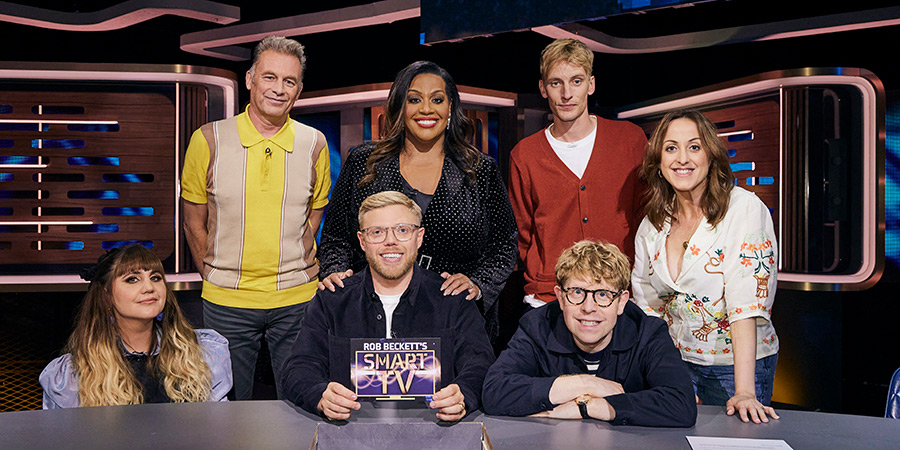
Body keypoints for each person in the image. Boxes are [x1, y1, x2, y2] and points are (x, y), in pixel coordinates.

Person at [317, 61, 517, 341]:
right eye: (414, 99)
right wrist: (337, 274)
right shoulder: (364, 162)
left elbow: (504, 244)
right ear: (400, 106)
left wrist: (478, 284)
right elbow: (336, 236)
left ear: (450, 108)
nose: (426, 109)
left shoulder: (479, 169)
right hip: (373, 317)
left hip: (456, 320)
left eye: (437, 99)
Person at [180, 35, 330, 400]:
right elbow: (193, 222)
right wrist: (215, 276)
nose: (279, 89)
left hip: (297, 300)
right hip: (227, 302)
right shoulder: (208, 139)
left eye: (289, 81)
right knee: (231, 408)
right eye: (269, 77)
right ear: (250, 79)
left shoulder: (314, 144)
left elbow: (313, 218)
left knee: (301, 400)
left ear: (299, 90)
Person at [282, 191, 495, 421]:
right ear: (362, 241)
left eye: (402, 230)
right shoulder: (332, 300)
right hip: (349, 435)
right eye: (377, 232)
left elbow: (480, 365)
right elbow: (299, 368)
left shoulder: (452, 298)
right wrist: (320, 396)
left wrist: (463, 394)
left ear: (419, 237)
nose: (390, 240)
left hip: (435, 432)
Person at [631, 109, 779, 424]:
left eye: (694, 147)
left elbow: (745, 305)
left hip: (733, 367)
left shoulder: (743, 209)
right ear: (658, 161)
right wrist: (665, 369)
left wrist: (744, 391)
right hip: (675, 362)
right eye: (671, 148)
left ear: (711, 156)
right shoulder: (652, 224)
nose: (682, 158)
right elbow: (647, 304)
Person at [482, 240, 696, 427]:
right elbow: (494, 391)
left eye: (602, 294)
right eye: (577, 292)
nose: (588, 307)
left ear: (621, 302)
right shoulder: (536, 327)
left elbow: (681, 403)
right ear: (560, 297)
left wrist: (588, 407)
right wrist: (586, 384)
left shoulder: (648, 333)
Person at [508, 38, 647, 309]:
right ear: (543, 88)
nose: (566, 94)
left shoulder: (629, 140)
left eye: (576, 81)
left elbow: (645, 214)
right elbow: (523, 232)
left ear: (591, 85)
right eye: (555, 83)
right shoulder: (524, 155)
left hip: (619, 294)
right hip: (550, 297)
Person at [39, 244, 232, 408]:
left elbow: (217, 430)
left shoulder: (202, 354)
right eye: (132, 279)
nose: (149, 287)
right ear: (106, 296)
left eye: (155, 277)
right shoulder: (73, 375)